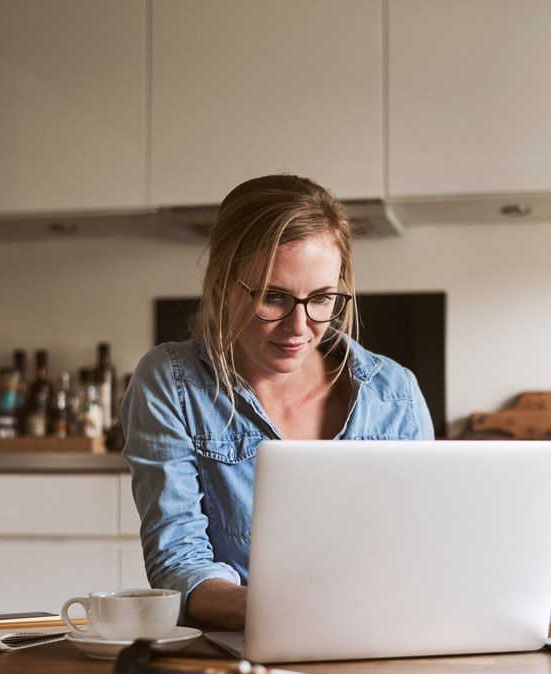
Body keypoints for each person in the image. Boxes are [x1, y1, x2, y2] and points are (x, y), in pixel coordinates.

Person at [122, 174, 436, 629]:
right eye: (274, 297)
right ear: (219, 286)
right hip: (244, 649)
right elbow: (178, 563)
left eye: (322, 299)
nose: (299, 327)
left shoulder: (395, 392)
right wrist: (276, 610)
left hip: (378, 638)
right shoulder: (171, 383)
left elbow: (421, 549)